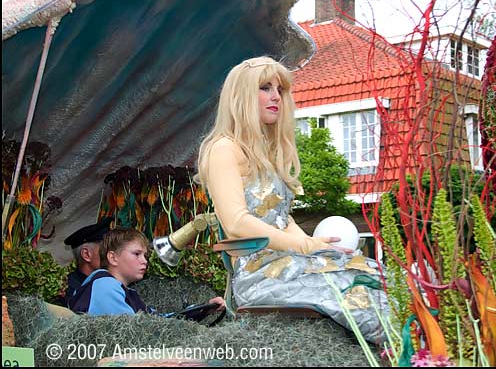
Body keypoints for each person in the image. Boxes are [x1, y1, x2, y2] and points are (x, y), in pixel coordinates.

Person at [196, 56, 389, 343]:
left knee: (372, 273)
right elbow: (236, 223)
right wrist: (303, 245)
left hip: (290, 261)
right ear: (241, 95)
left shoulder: (268, 152)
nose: (276, 96)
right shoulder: (223, 148)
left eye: (280, 89)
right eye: (265, 87)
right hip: (259, 274)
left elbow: (282, 219)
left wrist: (316, 246)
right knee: (356, 293)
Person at [69, 227, 226, 317]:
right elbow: (138, 331)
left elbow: (157, 322)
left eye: (145, 255)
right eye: (136, 254)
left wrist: (202, 309)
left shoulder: (124, 290)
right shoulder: (105, 285)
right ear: (113, 258)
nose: (144, 260)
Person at [61, 217, 112, 306]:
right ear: (86, 254)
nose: (112, 255)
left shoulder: (112, 281)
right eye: (106, 249)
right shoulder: (68, 290)